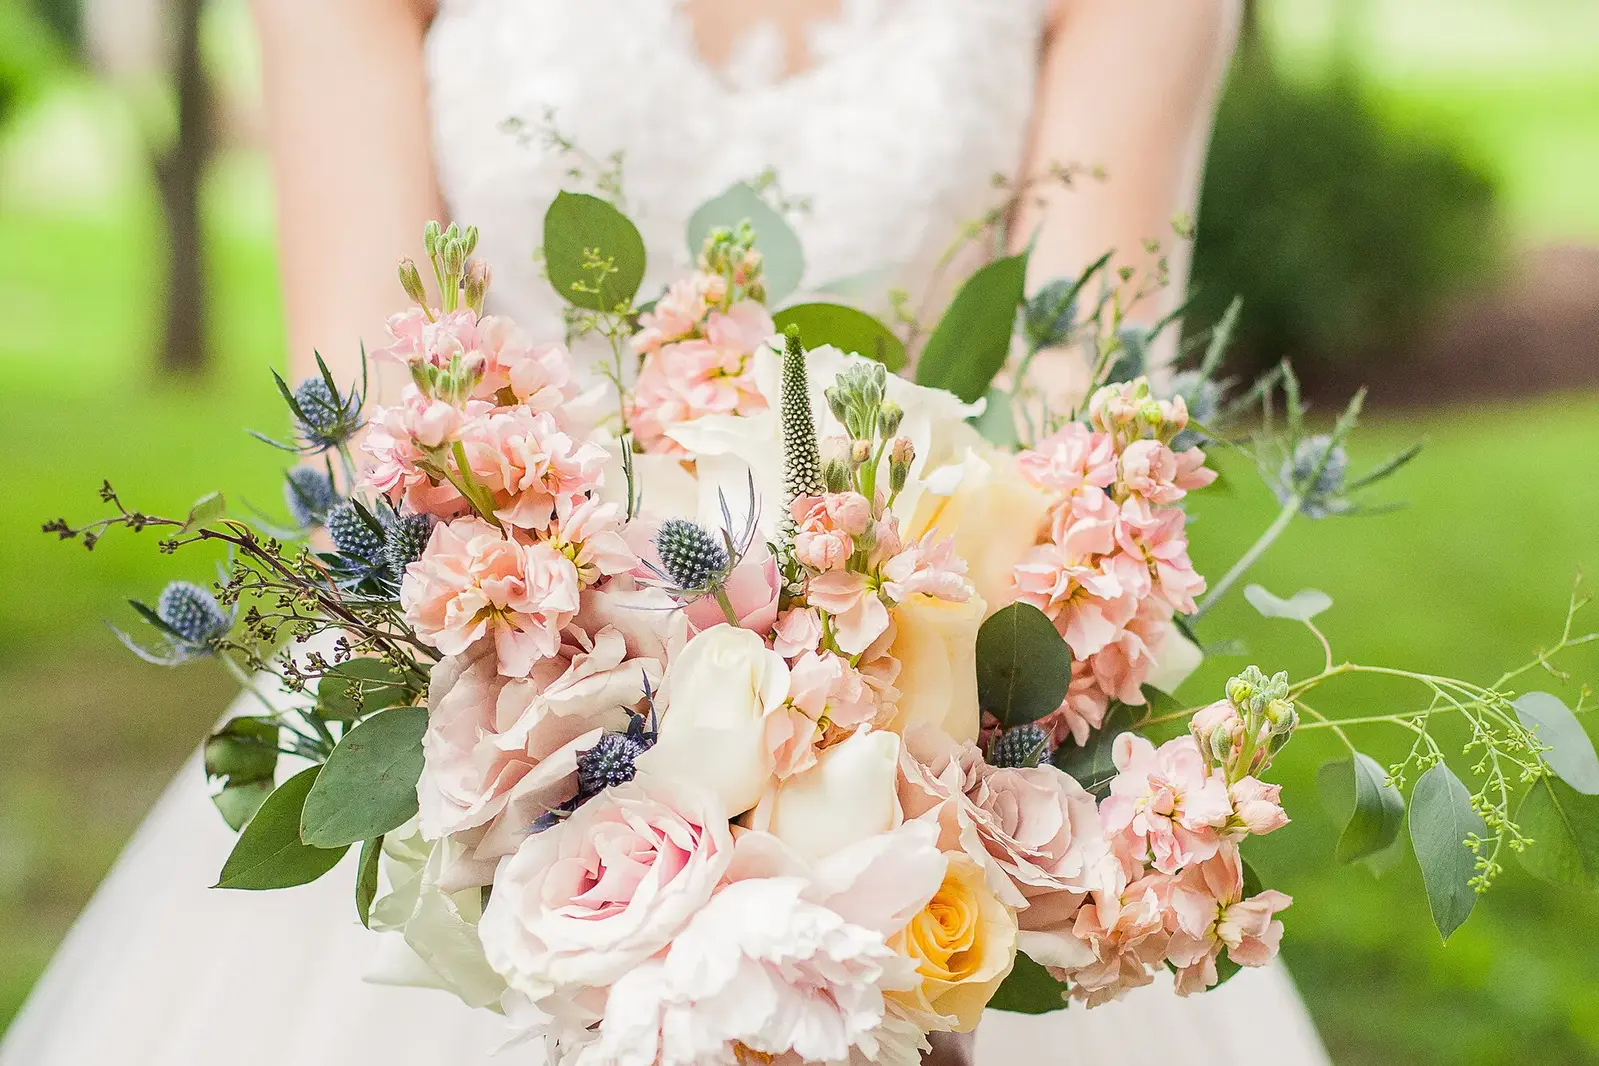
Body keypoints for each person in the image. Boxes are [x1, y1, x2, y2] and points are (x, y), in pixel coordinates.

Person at [0, 2, 1330, 1064]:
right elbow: (376, 426)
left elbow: (1076, 445)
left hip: (930, 720)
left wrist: (858, 840)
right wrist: (602, 778)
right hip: (482, 675)